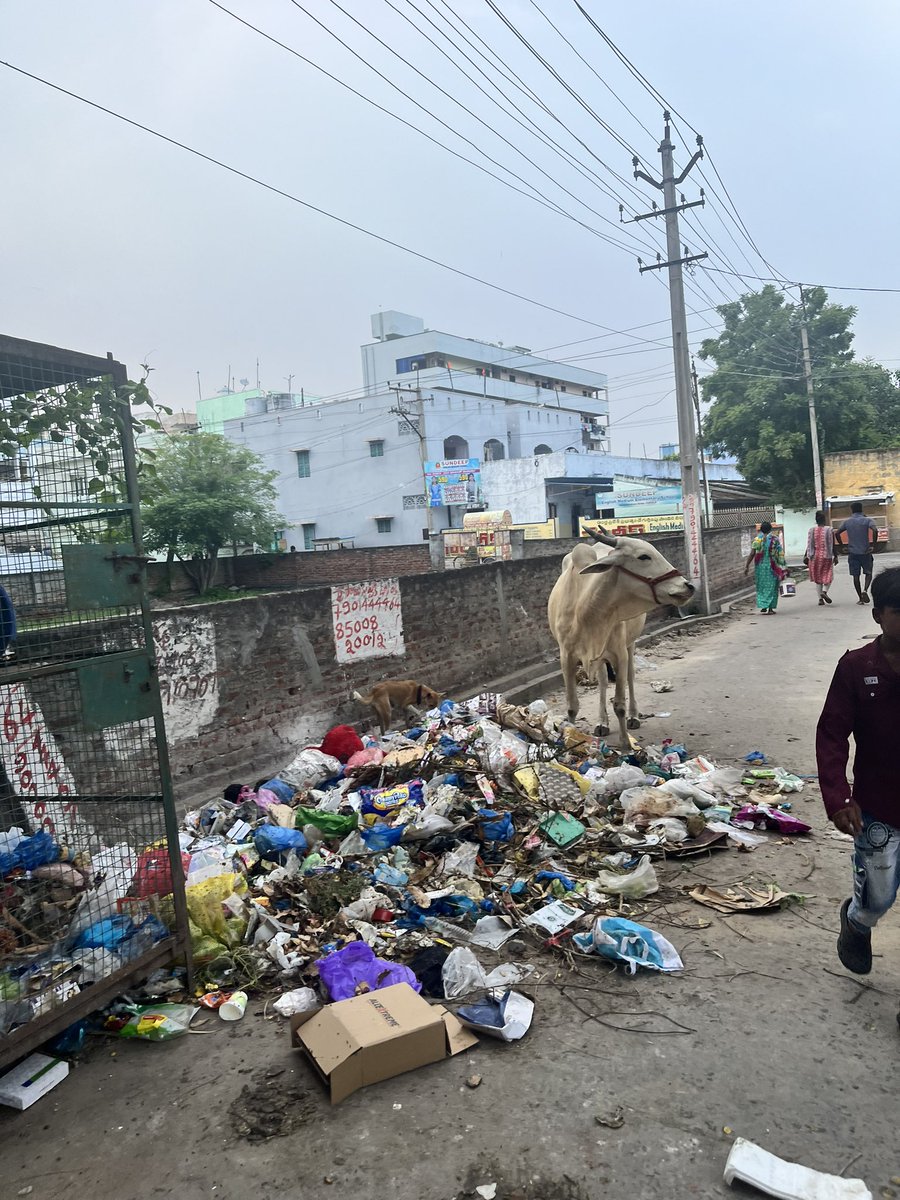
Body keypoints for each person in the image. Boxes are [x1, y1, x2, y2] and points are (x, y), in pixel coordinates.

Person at [816, 567, 900, 1011]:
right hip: (879, 809)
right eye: (899, 612)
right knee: (877, 900)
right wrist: (839, 798)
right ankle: (855, 920)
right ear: (879, 616)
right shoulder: (855, 668)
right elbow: (831, 735)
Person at [835, 501, 878, 604]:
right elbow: (875, 530)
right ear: (861, 509)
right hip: (866, 551)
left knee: (855, 576)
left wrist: (842, 546)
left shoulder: (847, 522)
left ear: (852, 510)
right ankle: (865, 590)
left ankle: (860, 598)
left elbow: (837, 533)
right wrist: (873, 545)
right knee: (868, 573)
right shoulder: (867, 520)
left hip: (853, 552)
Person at [743, 521, 786, 614]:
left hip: (760, 567)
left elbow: (752, 554)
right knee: (772, 587)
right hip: (772, 567)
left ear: (761, 529)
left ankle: (763, 605)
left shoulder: (757, 540)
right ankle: (770, 608)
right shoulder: (775, 539)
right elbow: (780, 554)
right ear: (770, 529)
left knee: (761, 586)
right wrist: (784, 567)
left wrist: (747, 566)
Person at [803, 510, 838, 605]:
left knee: (818, 579)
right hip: (826, 556)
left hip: (814, 557)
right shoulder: (829, 530)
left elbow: (809, 544)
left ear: (816, 520)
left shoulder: (811, 530)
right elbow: (832, 544)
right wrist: (836, 556)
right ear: (824, 519)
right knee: (828, 576)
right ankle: (824, 592)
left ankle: (820, 599)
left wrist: (806, 555)